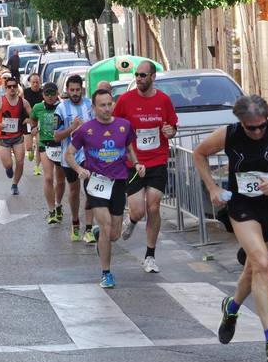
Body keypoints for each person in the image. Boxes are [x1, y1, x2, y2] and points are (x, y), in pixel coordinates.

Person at [193, 95, 268, 362]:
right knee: (260, 261)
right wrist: (212, 187)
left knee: (253, 269)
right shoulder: (229, 134)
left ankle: (231, 307)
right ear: (241, 122)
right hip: (241, 205)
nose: (257, 132)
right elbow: (199, 153)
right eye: (251, 127)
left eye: (261, 126)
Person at [66, 89, 144, 289]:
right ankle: (106, 273)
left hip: (118, 182)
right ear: (93, 108)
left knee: (114, 234)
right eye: (102, 105)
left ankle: (101, 235)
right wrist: (79, 169)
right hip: (96, 183)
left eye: (110, 104)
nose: (107, 108)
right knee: (107, 224)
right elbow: (69, 154)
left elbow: (128, 149)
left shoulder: (124, 126)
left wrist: (136, 164)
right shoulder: (85, 130)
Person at [115, 62, 179, 274]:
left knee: (153, 206)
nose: (139, 78)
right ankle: (132, 220)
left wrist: (171, 131)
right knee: (139, 210)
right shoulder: (125, 100)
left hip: (157, 160)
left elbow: (172, 127)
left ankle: (150, 256)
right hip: (133, 163)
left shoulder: (164, 100)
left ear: (153, 77)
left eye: (143, 75)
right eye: (137, 75)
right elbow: (116, 125)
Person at [53, 75, 96, 244]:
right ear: (67, 90)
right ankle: (75, 222)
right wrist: (72, 127)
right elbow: (56, 136)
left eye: (78, 90)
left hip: (89, 156)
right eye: (72, 90)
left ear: (82, 89)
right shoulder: (61, 109)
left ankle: (89, 229)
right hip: (69, 158)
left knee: (90, 190)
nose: (75, 93)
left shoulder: (89, 106)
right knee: (74, 192)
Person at [31, 83, 67, 225]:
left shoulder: (63, 107)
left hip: (60, 145)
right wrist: (33, 127)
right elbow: (33, 118)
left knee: (60, 180)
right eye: (47, 94)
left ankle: (58, 205)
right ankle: (51, 210)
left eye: (53, 93)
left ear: (57, 93)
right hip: (44, 144)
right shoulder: (37, 107)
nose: (50, 97)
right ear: (43, 95)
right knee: (47, 178)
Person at [0, 76, 31, 195]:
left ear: (17, 87)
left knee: (20, 162)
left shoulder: (23, 102)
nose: (12, 89)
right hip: (3, 138)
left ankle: (15, 184)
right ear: (5, 88)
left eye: (14, 86)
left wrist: (28, 120)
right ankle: (8, 168)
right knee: (8, 164)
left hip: (17, 136)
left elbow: (33, 116)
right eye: (9, 86)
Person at [22, 73, 44, 167]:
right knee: (28, 147)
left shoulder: (43, 93)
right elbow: (21, 107)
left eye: (37, 82)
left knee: (40, 145)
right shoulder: (25, 92)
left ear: (40, 82)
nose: (35, 84)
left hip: (39, 122)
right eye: (33, 82)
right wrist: (25, 119)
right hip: (28, 121)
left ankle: (37, 167)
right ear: (30, 83)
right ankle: (31, 150)